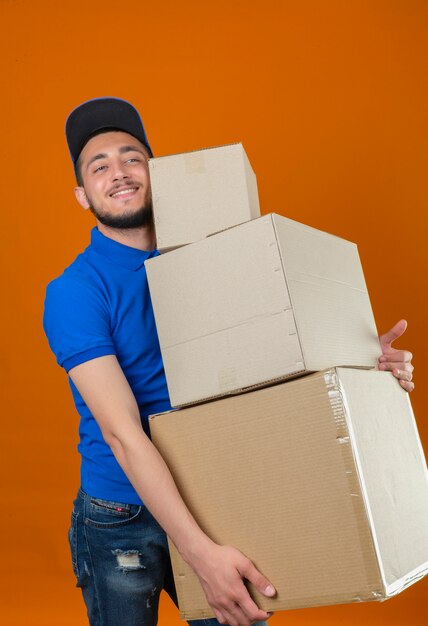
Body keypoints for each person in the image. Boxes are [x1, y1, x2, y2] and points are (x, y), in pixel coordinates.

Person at [43, 97, 415, 626]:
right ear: (83, 195)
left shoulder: (212, 257)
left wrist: (357, 362)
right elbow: (124, 435)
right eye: (98, 166)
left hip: (212, 485)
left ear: (157, 172)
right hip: (122, 512)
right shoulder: (76, 291)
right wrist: (199, 553)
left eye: (132, 158)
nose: (118, 173)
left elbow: (267, 358)